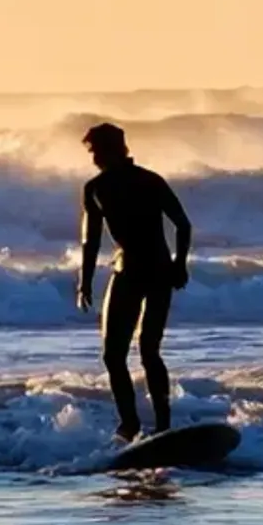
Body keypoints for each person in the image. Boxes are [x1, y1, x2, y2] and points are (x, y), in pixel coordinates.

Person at [76, 121, 192, 442]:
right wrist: (84, 282)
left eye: (97, 151)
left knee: (146, 350)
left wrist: (180, 265)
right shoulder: (97, 188)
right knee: (116, 355)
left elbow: (183, 224)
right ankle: (132, 425)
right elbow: (91, 241)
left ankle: (160, 426)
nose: (94, 158)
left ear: (115, 149)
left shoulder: (147, 181)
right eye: (92, 152)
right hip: (135, 272)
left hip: (151, 273)